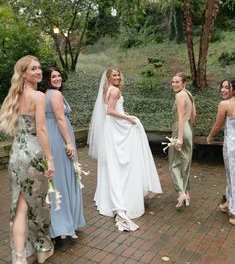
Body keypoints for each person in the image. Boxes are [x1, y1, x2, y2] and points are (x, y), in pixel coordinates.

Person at [87, 68, 162, 231]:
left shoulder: (107, 90)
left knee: (114, 163)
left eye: (118, 74)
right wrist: (129, 118)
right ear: (108, 77)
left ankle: (111, 196)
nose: (117, 77)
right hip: (115, 128)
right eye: (114, 75)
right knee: (123, 162)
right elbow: (110, 111)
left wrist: (123, 113)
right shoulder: (114, 91)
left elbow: (112, 110)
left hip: (111, 127)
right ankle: (124, 198)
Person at [0, 56, 54, 264]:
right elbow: (41, 129)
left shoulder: (15, 95)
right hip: (33, 153)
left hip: (16, 153)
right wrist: (50, 159)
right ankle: (39, 250)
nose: (39, 71)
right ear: (23, 73)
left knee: (20, 206)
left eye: (39, 68)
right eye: (33, 69)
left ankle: (21, 256)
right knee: (33, 205)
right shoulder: (38, 96)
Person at [43, 67, 85, 239]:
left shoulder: (44, 95)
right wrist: (69, 143)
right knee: (65, 178)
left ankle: (58, 223)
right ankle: (65, 225)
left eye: (59, 75)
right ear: (47, 79)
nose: (58, 78)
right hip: (60, 138)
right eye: (54, 76)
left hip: (50, 136)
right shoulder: (56, 95)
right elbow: (60, 119)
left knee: (56, 180)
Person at [207, 78, 235, 225]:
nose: (223, 90)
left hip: (232, 148)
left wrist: (210, 136)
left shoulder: (225, 104)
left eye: (227, 87)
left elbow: (218, 125)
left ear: (234, 89)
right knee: (231, 177)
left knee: (233, 177)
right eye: (222, 87)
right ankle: (228, 203)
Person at [169, 72, 196, 208]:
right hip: (188, 130)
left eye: (177, 82)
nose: (174, 84)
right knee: (185, 164)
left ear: (183, 83)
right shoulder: (189, 94)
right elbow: (193, 115)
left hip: (179, 130)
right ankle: (186, 192)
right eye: (173, 82)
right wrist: (188, 131)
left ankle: (181, 192)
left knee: (174, 163)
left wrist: (179, 138)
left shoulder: (179, 95)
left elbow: (180, 117)